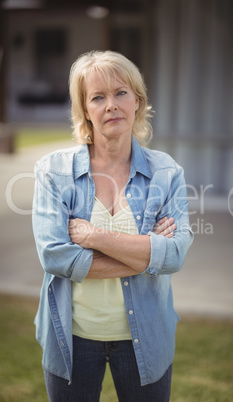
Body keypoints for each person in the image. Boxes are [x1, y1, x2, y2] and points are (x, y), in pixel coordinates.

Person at [32, 50, 193, 402]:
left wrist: (94, 237)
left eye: (120, 93)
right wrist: (147, 253)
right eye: (98, 97)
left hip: (146, 339)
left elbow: (175, 255)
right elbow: (55, 256)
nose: (111, 105)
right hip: (71, 338)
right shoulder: (53, 172)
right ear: (84, 110)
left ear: (138, 101)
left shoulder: (166, 172)